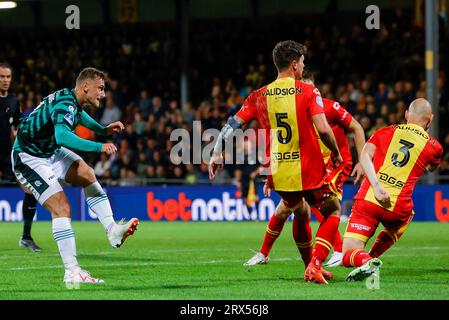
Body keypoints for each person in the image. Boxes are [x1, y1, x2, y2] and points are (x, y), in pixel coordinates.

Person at [209, 40, 343, 284]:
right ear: (294, 64)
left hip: (279, 173)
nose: (304, 66)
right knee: (333, 210)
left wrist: (217, 153)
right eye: (302, 62)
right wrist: (335, 151)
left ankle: (309, 268)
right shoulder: (308, 91)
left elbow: (232, 125)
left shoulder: (259, 95)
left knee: (301, 213)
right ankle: (315, 264)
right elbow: (323, 128)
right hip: (309, 169)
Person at [11, 67, 139, 284]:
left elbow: (79, 117)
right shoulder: (66, 103)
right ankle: (72, 272)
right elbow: (62, 136)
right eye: (100, 89)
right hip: (29, 157)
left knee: (87, 174)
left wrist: (102, 129)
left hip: (48, 150)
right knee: (62, 207)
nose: (103, 94)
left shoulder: (71, 100)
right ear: (85, 86)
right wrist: (100, 145)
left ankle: (112, 230)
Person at [244, 76, 366, 269]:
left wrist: (362, 160)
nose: (301, 93)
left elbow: (357, 128)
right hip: (309, 166)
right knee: (288, 208)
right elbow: (279, 145)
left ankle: (339, 250)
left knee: (323, 205)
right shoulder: (292, 113)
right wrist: (271, 174)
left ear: (314, 90)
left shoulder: (329, 107)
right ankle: (265, 253)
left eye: (305, 88)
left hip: (336, 163)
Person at [342, 98, 442, 281]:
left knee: (348, 254)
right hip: (397, 209)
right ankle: (372, 258)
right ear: (431, 119)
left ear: (406, 114)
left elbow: (364, 156)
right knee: (407, 215)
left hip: (369, 200)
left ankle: (365, 260)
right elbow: (433, 167)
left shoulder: (385, 131)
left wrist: (378, 187)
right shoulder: (435, 147)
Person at [0, 62, 41, 252]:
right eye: (2, 76)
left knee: (30, 190)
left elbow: (16, 128)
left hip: (9, 156)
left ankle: (26, 236)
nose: (5, 80)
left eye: (8, 76)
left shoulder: (14, 102)